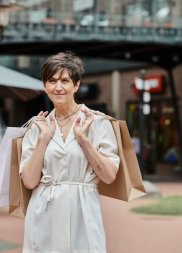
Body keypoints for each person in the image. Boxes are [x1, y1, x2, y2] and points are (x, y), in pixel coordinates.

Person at [19, 52, 120, 253]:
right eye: (52, 81)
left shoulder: (99, 122)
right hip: (43, 211)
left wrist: (84, 140)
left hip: (83, 210)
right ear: (45, 86)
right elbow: (29, 181)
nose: (58, 87)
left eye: (65, 81)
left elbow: (109, 176)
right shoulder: (37, 126)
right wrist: (42, 140)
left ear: (76, 85)